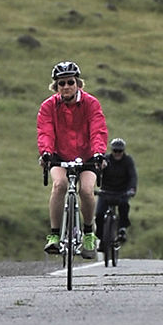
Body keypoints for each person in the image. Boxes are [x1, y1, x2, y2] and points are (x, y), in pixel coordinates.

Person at [37, 60, 108, 259]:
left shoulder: (91, 103)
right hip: (59, 155)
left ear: (77, 83)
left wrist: (98, 153)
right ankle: (54, 235)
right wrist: (46, 152)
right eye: (61, 83)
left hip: (87, 156)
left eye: (70, 82)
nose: (66, 86)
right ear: (56, 86)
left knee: (86, 190)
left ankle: (89, 233)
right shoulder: (48, 106)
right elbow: (45, 131)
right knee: (59, 185)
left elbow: (98, 130)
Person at [95, 137, 138, 244]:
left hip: (122, 192)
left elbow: (133, 176)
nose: (117, 153)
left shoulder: (128, 161)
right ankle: (99, 237)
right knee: (99, 214)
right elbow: (97, 173)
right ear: (112, 150)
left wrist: (132, 189)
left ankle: (122, 229)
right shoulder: (106, 159)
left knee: (124, 206)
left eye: (120, 151)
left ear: (123, 151)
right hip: (106, 191)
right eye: (115, 151)